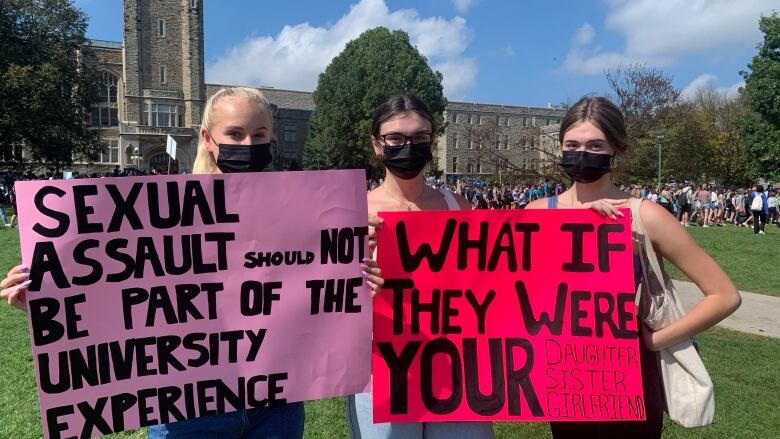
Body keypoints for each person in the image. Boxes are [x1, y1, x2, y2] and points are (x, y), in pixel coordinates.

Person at [0, 86, 384, 439]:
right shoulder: (160, 216)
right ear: (208, 139)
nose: (249, 143)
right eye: (234, 134)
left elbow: (311, 288)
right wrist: (50, 297)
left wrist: (352, 265)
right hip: (191, 410)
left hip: (277, 405)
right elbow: (120, 289)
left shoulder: (307, 211)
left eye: (260, 134)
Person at [526, 96, 741, 439]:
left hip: (628, 381)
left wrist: (655, 340)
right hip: (562, 375)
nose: (582, 153)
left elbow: (724, 295)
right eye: (572, 145)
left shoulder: (646, 216)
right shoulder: (537, 214)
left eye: (595, 145)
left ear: (616, 149)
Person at [347, 94, 495, 439]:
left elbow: (490, 278)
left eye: (419, 138)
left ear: (432, 141)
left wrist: (589, 211)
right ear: (377, 144)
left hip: (455, 364)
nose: (407, 147)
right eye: (395, 138)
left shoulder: (456, 206)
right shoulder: (351, 211)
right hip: (381, 368)